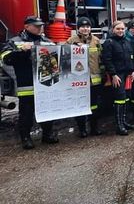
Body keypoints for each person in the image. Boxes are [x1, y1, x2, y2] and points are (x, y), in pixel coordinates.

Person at [1, 16, 59, 149]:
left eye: (41, 26)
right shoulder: (15, 42)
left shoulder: (47, 42)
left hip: (45, 84)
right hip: (26, 84)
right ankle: (26, 138)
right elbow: (5, 59)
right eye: (37, 26)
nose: (40, 28)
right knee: (26, 113)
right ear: (27, 26)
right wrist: (21, 51)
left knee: (47, 110)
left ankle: (48, 134)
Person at [66, 17, 103, 137]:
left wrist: (103, 73)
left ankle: (94, 128)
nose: (85, 29)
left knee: (94, 105)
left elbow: (101, 58)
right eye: (82, 27)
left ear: (90, 28)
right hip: (78, 80)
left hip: (94, 80)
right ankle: (82, 129)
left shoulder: (96, 41)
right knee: (80, 105)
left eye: (87, 27)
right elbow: (65, 59)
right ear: (78, 28)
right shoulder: (71, 41)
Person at [102, 21, 134, 135]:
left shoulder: (127, 42)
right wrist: (113, 75)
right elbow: (107, 60)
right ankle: (119, 126)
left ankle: (124, 122)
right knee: (120, 98)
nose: (120, 31)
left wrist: (133, 70)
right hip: (118, 75)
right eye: (118, 29)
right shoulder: (109, 42)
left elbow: (133, 56)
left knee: (126, 97)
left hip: (127, 75)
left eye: (122, 29)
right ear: (113, 29)